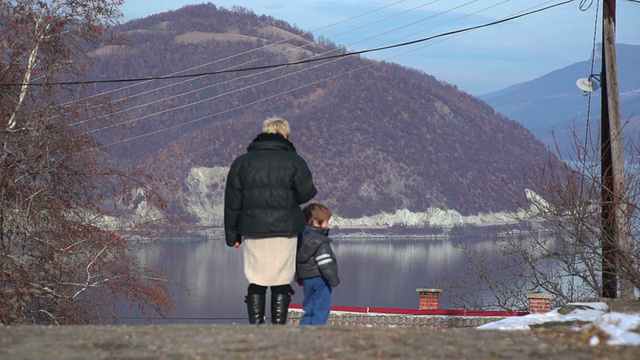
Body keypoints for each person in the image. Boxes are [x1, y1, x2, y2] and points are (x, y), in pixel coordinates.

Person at [224, 116, 317, 325]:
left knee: (256, 280)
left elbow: (232, 202)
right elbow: (305, 194)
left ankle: (256, 328)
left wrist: (232, 235)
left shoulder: (242, 162)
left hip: (252, 229)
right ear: (285, 135)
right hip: (285, 230)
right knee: (282, 281)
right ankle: (278, 329)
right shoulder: (294, 161)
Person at [296, 203, 340, 325]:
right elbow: (325, 263)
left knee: (309, 309)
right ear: (316, 223)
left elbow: (297, 260)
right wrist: (333, 280)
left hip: (306, 279)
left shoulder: (300, 239)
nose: (328, 225)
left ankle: (303, 333)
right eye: (326, 222)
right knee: (321, 310)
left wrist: (299, 277)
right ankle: (317, 334)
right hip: (321, 280)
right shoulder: (320, 241)